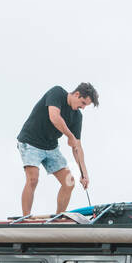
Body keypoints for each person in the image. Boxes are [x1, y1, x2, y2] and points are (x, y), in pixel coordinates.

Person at [16, 82, 98, 215]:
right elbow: (54, 117)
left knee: (69, 182)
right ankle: (25, 217)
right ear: (76, 94)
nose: (82, 107)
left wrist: (84, 173)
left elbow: (77, 146)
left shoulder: (77, 116)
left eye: (85, 106)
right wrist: (70, 136)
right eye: (82, 103)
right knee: (33, 178)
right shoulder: (57, 93)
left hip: (50, 147)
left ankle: (58, 218)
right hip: (30, 142)